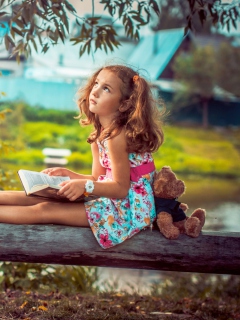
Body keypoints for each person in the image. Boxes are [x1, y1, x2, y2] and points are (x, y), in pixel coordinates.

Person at [0, 64, 164, 249]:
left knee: (48, 209)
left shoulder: (118, 136)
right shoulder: (100, 134)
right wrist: (69, 174)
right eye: (96, 83)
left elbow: (120, 188)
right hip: (112, 198)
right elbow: (97, 178)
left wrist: (84, 186)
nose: (95, 91)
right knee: (39, 197)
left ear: (124, 104)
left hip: (128, 210)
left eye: (106, 89)